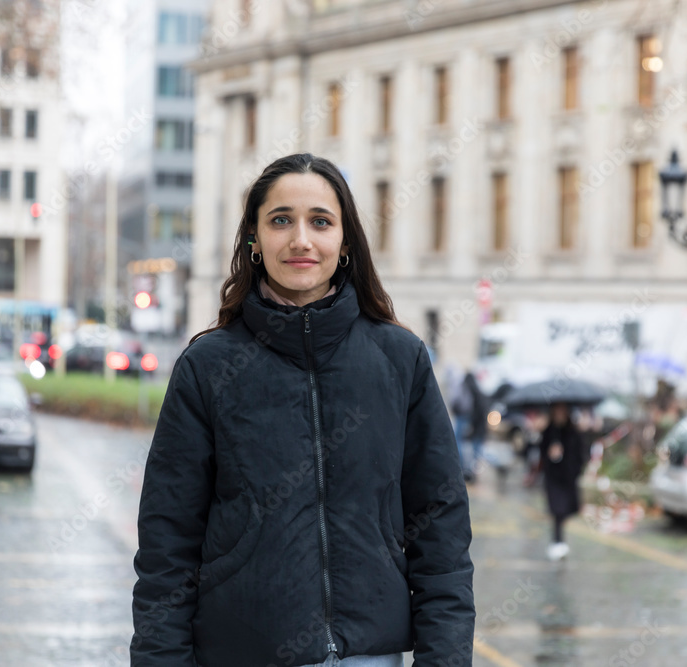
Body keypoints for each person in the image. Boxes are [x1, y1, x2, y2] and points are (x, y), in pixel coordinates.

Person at [130, 154, 475, 667]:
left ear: (346, 241)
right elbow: (167, 544)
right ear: (254, 239)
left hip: (370, 656)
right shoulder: (208, 367)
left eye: (320, 221)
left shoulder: (399, 360)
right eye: (280, 220)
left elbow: (440, 527)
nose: (300, 240)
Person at [538, 402, 586, 561]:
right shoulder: (548, 431)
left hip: (568, 477)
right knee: (557, 509)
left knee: (565, 510)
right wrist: (550, 455)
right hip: (553, 477)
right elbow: (541, 453)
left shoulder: (573, 432)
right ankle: (557, 540)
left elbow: (580, 454)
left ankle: (559, 540)